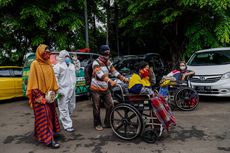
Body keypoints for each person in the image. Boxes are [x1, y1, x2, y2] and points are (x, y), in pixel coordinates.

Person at [26, 44, 61, 148]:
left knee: (50, 115)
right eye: (45, 52)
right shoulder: (35, 64)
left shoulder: (49, 64)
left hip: (49, 95)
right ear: (40, 53)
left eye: (49, 52)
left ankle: (40, 134)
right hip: (39, 95)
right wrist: (39, 96)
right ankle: (49, 140)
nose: (48, 54)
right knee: (44, 116)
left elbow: (53, 80)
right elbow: (32, 82)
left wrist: (53, 93)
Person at [90, 45, 129, 131]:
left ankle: (108, 123)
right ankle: (97, 124)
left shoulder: (108, 62)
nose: (107, 56)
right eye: (105, 54)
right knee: (97, 107)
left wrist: (124, 79)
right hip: (95, 88)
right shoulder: (96, 63)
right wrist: (110, 81)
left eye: (108, 54)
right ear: (101, 54)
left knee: (111, 104)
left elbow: (114, 72)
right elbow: (100, 75)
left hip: (105, 88)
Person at [53, 50, 76, 132]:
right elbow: (55, 79)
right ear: (62, 57)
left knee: (71, 106)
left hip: (71, 89)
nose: (67, 58)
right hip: (62, 90)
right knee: (63, 107)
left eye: (68, 56)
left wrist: (73, 86)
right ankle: (67, 125)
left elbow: (73, 77)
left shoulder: (71, 66)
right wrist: (58, 90)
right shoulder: (57, 66)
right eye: (65, 56)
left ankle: (65, 118)